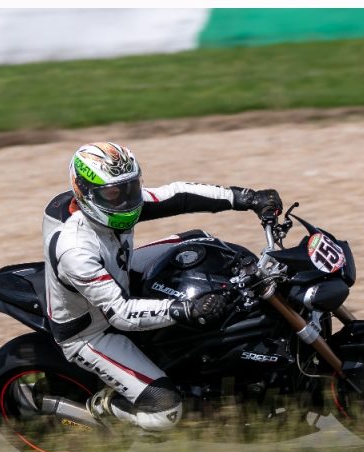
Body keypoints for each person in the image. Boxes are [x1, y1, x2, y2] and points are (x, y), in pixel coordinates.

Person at [42, 142, 281, 432]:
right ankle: (105, 406)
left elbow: (179, 195)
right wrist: (186, 309)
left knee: (199, 243)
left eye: (131, 187)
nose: (126, 201)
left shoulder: (111, 200)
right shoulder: (75, 250)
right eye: (114, 193)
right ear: (84, 191)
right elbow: (121, 313)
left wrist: (246, 198)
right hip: (92, 330)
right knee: (165, 411)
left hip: (118, 274)